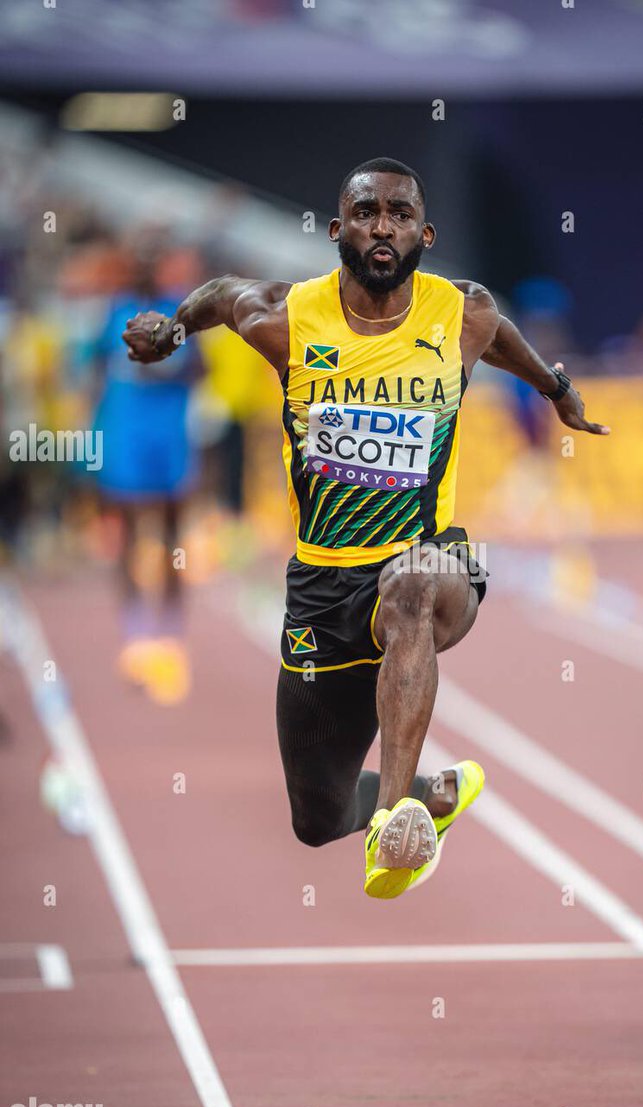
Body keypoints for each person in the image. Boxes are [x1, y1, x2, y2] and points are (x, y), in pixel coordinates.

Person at [121, 157, 609, 899]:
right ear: (336, 230)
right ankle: (433, 796)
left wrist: (558, 390)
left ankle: (391, 823)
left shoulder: (461, 312)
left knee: (411, 583)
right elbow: (220, 295)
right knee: (314, 817)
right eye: (367, 212)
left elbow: (503, 333)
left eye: (399, 214)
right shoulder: (287, 316)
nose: (383, 225)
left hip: (432, 557)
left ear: (425, 233)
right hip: (322, 582)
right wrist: (174, 328)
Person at [91, 245, 201, 704]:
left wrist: (165, 362)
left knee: (175, 534)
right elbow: (96, 366)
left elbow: (201, 368)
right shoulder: (117, 311)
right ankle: (136, 636)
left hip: (169, 435)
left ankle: (171, 637)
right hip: (127, 432)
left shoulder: (183, 311)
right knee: (130, 532)